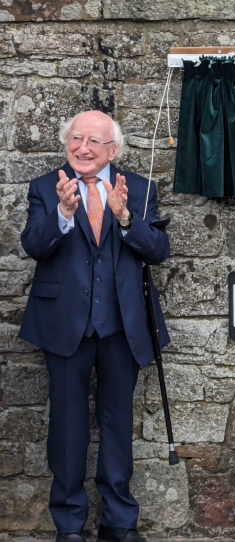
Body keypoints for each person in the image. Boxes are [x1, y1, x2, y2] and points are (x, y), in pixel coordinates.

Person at [19, 110, 170, 542]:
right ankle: (69, 526)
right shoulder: (45, 188)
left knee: (118, 426)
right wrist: (63, 213)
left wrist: (126, 219)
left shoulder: (139, 190)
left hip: (122, 326)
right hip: (64, 324)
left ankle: (119, 523)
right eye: (75, 139)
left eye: (93, 141)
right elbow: (33, 245)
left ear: (113, 150)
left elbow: (158, 250)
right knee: (66, 430)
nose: (82, 148)